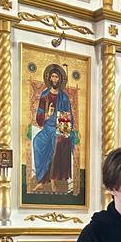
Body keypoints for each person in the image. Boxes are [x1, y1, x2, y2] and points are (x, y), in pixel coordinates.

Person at [32, 64, 75, 192]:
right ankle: (41, 179)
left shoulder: (64, 97)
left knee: (57, 144)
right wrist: (47, 115)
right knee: (37, 142)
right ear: (49, 78)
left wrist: (62, 131)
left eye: (57, 77)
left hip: (59, 128)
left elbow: (67, 117)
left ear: (60, 79)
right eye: (53, 76)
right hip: (47, 128)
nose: (55, 79)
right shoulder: (45, 95)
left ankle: (53, 180)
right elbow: (39, 116)